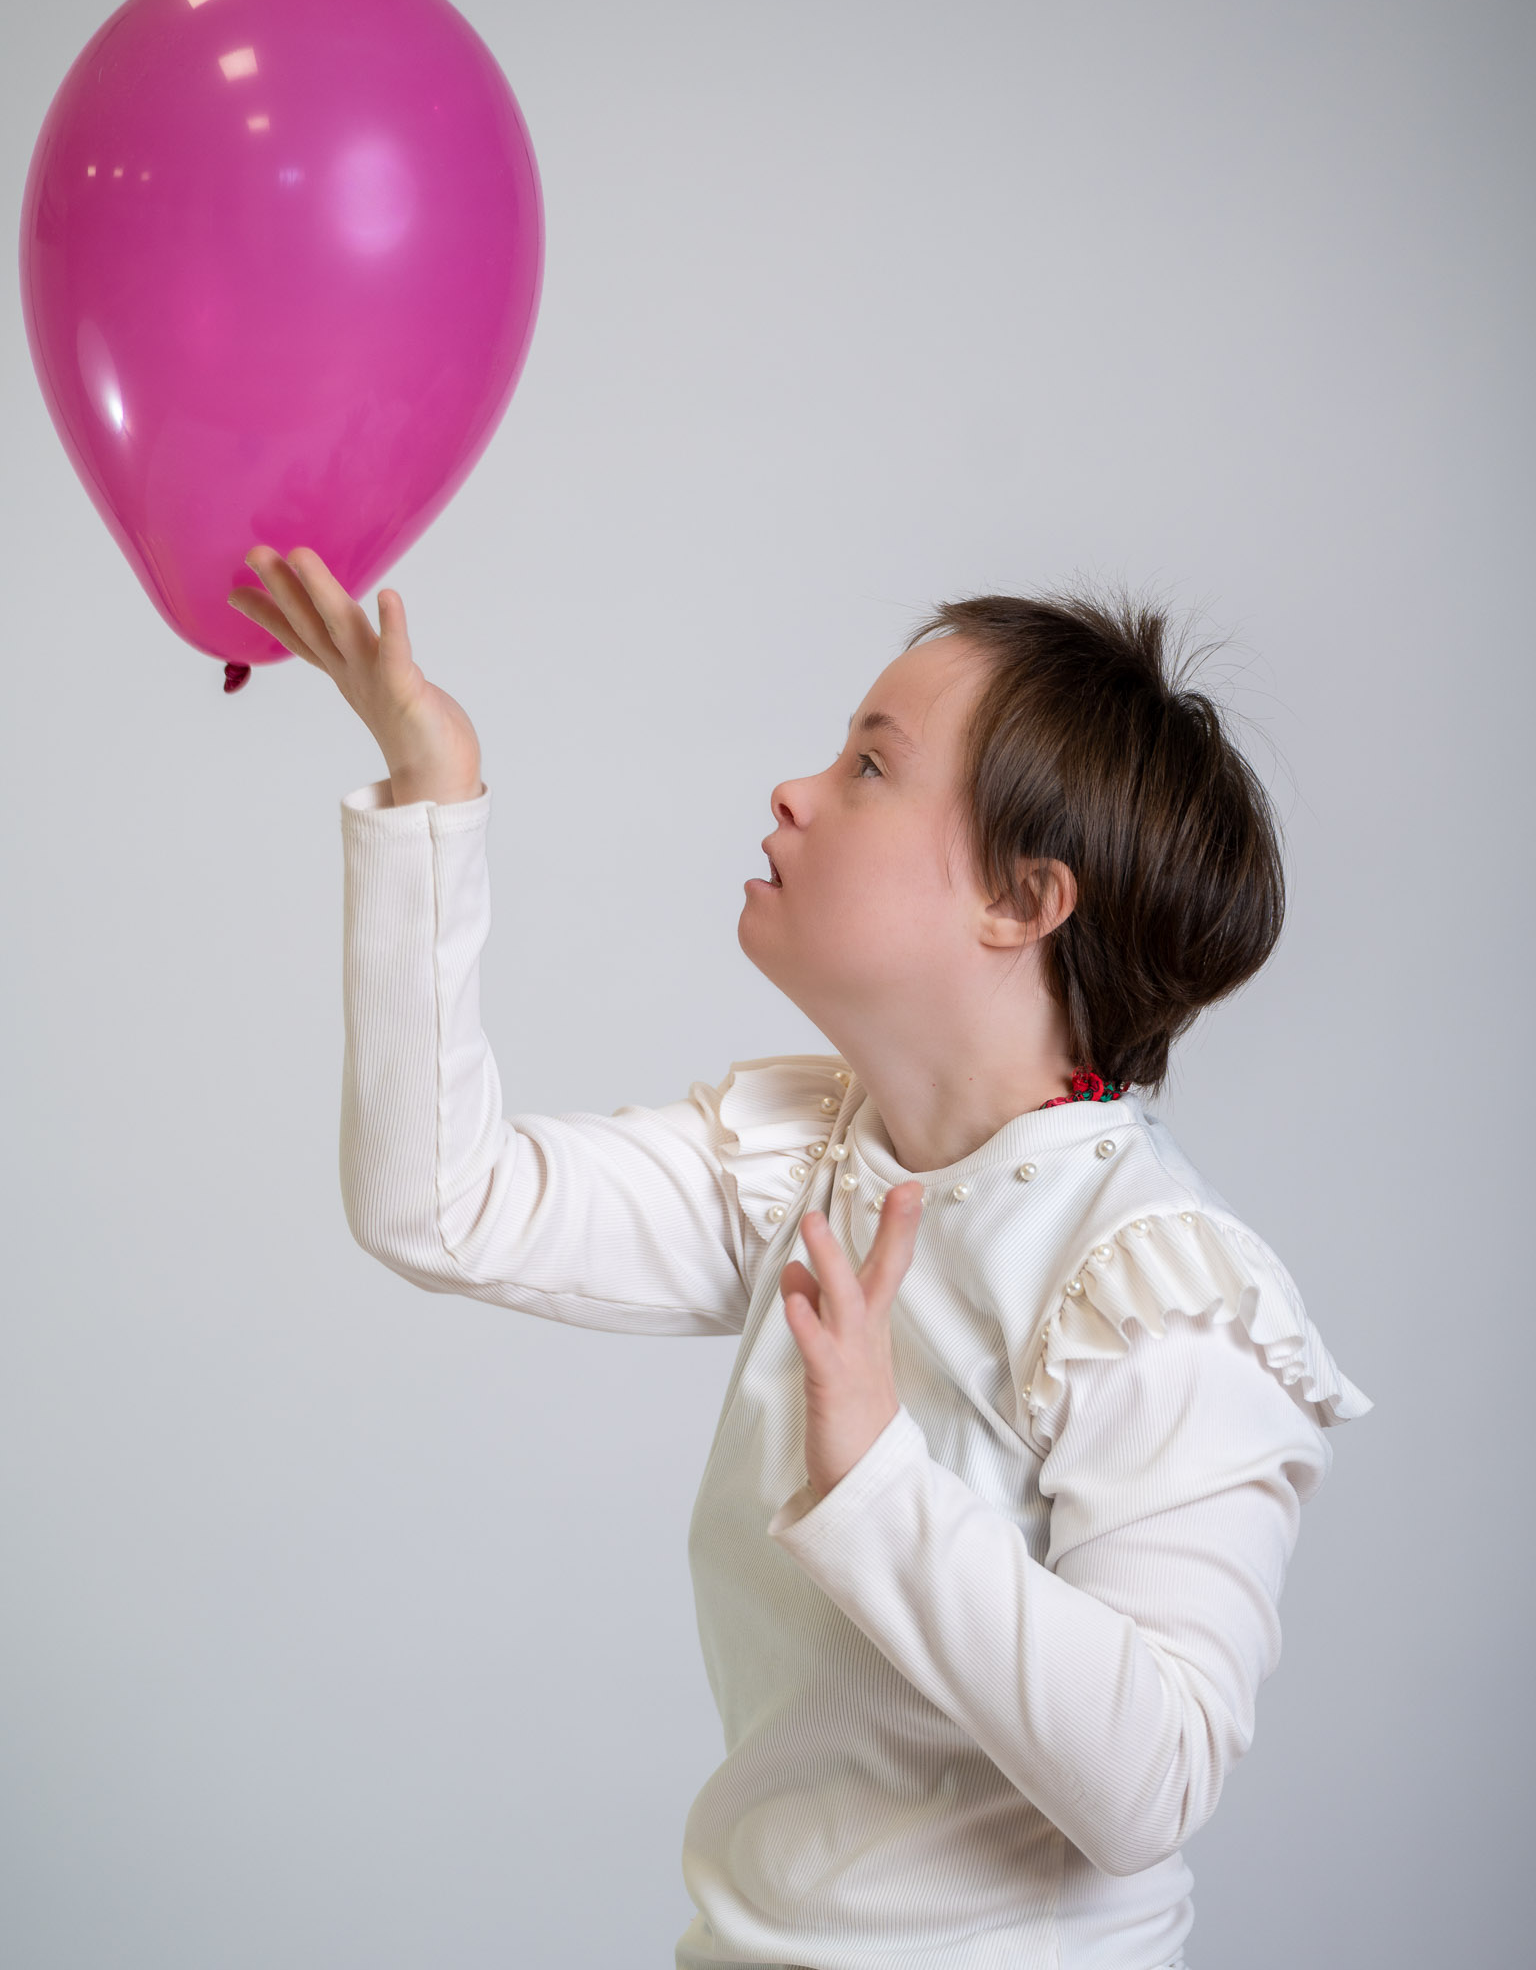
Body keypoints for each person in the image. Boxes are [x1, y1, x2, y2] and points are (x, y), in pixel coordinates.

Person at [228, 547, 1371, 1970]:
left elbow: (1156, 1783)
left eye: (871, 767)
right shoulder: (812, 1161)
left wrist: (879, 1476)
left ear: (1024, 902)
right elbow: (442, 1202)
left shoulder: (1161, 1293)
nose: (795, 790)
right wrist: (429, 786)